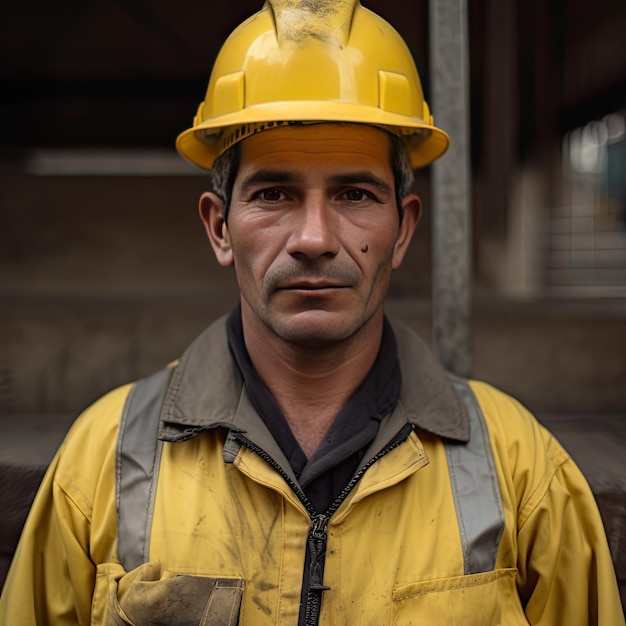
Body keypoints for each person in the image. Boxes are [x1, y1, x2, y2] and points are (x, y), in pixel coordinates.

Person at [0, 1, 623, 624]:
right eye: (274, 194)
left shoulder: (524, 470)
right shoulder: (101, 460)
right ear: (220, 228)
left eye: (355, 193)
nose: (314, 237)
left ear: (403, 230)